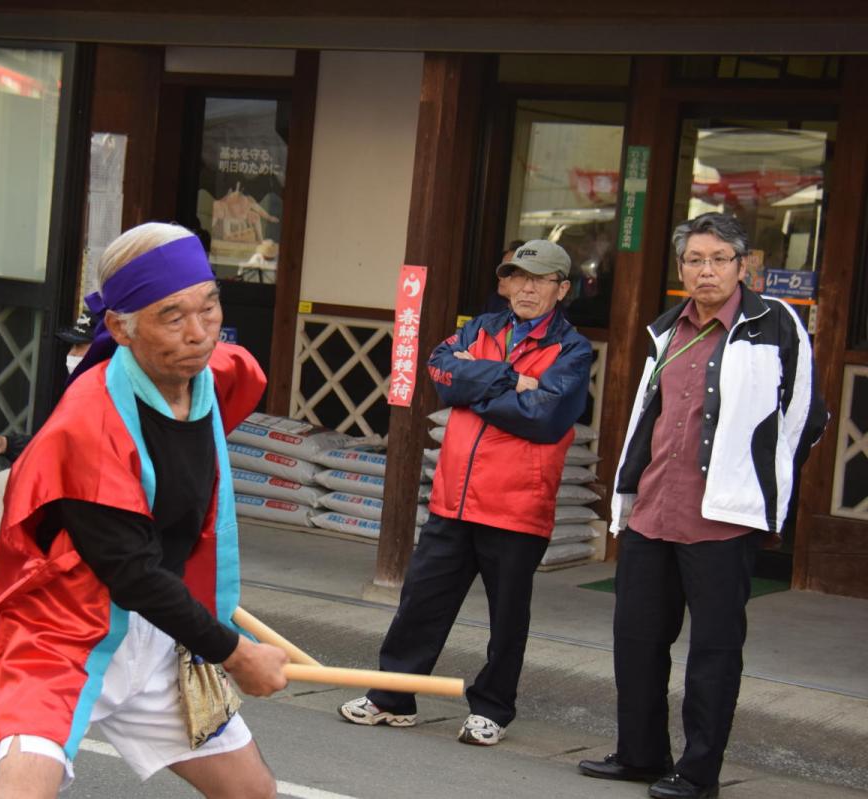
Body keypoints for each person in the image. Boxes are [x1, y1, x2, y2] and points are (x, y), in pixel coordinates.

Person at [0, 222, 288, 798]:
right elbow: (133, 573)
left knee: (251, 792)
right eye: (172, 317)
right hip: (65, 631)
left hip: (160, 633)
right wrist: (237, 653)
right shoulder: (88, 423)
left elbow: (237, 372)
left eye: (209, 307)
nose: (199, 334)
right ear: (119, 327)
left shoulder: (214, 373)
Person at [578, 213, 828, 799]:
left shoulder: (776, 323)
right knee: (637, 640)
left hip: (724, 518)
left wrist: (762, 482)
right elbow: (651, 415)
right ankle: (640, 754)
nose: (706, 270)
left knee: (713, 652)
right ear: (681, 268)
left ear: (743, 266)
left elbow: (807, 418)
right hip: (653, 510)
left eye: (719, 259)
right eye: (695, 260)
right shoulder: (667, 327)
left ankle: (698, 772)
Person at [339, 239, 591, 746]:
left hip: (517, 504)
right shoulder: (481, 327)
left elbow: (544, 417)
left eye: (539, 280)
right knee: (421, 602)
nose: (525, 288)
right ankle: (392, 698)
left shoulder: (572, 349)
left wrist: (475, 389)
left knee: (507, 620)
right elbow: (442, 374)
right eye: (517, 277)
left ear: (562, 289)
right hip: (453, 497)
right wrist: (511, 379)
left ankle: (492, 709)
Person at [0, 310, 96, 614]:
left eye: (81, 346)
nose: (72, 354)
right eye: (72, 346)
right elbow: (51, 442)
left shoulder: (108, 390)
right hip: (66, 477)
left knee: (11, 481)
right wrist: (7, 444)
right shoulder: (78, 387)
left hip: (96, 488)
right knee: (7, 480)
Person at [482, 239, 526, 315]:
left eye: (507, 270)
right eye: (502, 268)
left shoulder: (532, 309)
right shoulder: (494, 301)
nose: (500, 276)